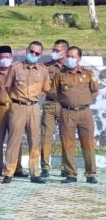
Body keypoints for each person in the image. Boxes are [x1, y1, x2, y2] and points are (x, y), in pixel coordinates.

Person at [2, 41, 51, 184]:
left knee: (34, 140)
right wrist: (17, 98)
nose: (33, 55)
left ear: (40, 55)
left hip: (33, 107)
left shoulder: (43, 70)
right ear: (26, 50)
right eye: (32, 51)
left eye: (37, 53)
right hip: (18, 106)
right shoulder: (15, 67)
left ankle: (35, 173)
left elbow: (45, 89)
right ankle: (9, 173)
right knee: (14, 140)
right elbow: (7, 87)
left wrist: (34, 99)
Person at [49, 46, 99, 184]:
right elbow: (53, 92)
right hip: (67, 112)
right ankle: (71, 173)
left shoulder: (89, 74)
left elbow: (95, 90)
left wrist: (87, 100)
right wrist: (64, 101)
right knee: (67, 143)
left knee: (88, 143)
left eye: (73, 56)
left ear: (79, 59)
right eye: (68, 56)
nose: (70, 59)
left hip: (85, 113)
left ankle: (90, 174)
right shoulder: (60, 75)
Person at [0, 46, 26, 177]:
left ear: (12, 58)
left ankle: (17, 168)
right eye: (2, 57)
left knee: (16, 139)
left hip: (15, 107)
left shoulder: (19, 72)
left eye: (7, 57)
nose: (5, 59)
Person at [41, 39, 68, 178]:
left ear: (65, 51)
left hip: (65, 106)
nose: (54, 52)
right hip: (50, 104)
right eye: (53, 50)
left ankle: (66, 166)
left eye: (57, 50)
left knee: (66, 136)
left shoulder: (70, 67)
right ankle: (45, 166)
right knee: (46, 136)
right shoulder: (47, 67)